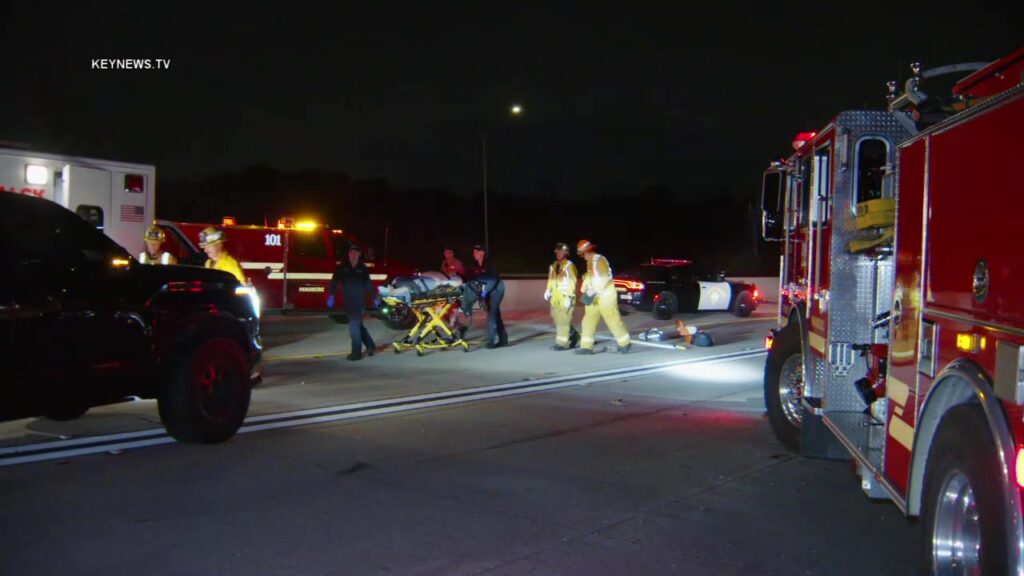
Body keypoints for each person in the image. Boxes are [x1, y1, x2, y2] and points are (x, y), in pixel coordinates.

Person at [575, 239, 631, 354]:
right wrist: (585, 288)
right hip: (594, 295)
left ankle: (625, 343)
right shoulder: (590, 262)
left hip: (606, 295)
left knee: (612, 319)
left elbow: (604, 279)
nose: (582, 257)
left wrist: (593, 292)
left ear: (588, 252)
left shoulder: (599, 260)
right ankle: (586, 347)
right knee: (588, 321)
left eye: (583, 254)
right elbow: (590, 277)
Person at [329, 244, 376, 361]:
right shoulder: (342, 267)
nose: (353, 254)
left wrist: (375, 297)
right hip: (348, 301)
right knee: (357, 325)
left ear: (359, 254)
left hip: (360, 301)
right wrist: (331, 295)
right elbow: (334, 281)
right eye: (351, 252)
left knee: (354, 326)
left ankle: (356, 353)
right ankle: (370, 346)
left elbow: (368, 284)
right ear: (348, 253)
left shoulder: (363, 268)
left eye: (355, 252)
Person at [467, 243, 508, 349]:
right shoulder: (474, 265)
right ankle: (503, 339)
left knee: (491, 315)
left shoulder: (490, 263)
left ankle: (490, 342)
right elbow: (471, 279)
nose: (474, 253)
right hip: (487, 290)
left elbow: (493, 281)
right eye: (474, 251)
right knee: (495, 314)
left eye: (476, 251)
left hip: (497, 289)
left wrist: (483, 294)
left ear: (482, 253)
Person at [545, 242, 580, 350]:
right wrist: (548, 290)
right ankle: (574, 335)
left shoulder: (569, 265)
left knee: (563, 321)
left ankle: (561, 343)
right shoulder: (553, 265)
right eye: (557, 252)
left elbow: (572, 281)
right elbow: (551, 279)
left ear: (566, 253)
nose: (558, 254)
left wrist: (569, 297)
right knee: (556, 318)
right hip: (555, 297)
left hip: (565, 297)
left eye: (561, 252)